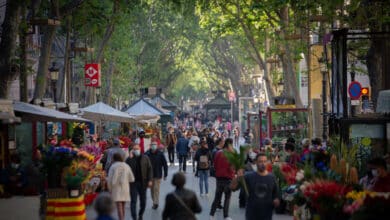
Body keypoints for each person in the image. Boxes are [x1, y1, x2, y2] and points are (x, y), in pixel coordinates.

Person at [231, 153, 280, 220]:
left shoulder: (272, 177)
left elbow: (276, 195)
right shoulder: (248, 176)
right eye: (260, 161)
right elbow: (233, 188)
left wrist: (276, 201)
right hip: (251, 215)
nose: (263, 164)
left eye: (265, 161)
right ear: (256, 162)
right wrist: (237, 177)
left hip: (267, 215)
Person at [210, 138, 235, 220]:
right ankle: (226, 215)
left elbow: (215, 165)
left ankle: (211, 214)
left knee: (217, 197)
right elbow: (232, 167)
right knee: (227, 197)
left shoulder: (218, 153)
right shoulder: (230, 154)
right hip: (228, 178)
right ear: (229, 145)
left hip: (219, 178)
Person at [125, 144, 153, 220]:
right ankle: (134, 217)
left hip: (143, 183)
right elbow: (125, 169)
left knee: (143, 202)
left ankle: (140, 215)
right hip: (133, 183)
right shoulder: (129, 159)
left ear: (140, 149)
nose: (136, 150)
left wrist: (150, 180)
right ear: (133, 150)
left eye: (137, 149)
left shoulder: (145, 158)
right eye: (135, 149)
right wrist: (130, 158)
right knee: (133, 201)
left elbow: (149, 169)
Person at [107, 153, 135, 220]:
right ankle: (122, 218)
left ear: (114, 159)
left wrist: (109, 189)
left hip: (116, 189)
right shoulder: (126, 166)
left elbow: (109, 179)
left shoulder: (113, 166)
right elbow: (132, 179)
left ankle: (121, 219)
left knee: (119, 205)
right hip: (125, 188)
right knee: (123, 205)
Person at [145, 141, 168, 209]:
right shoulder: (147, 154)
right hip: (149, 175)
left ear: (157, 146)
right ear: (150, 146)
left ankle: (156, 203)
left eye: (155, 145)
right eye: (152, 145)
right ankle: (154, 201)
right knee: (152, 190)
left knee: (156, 189)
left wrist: (165, 174)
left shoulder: (160, 154)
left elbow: (165, 164)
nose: (153, 146)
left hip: (158, 174)